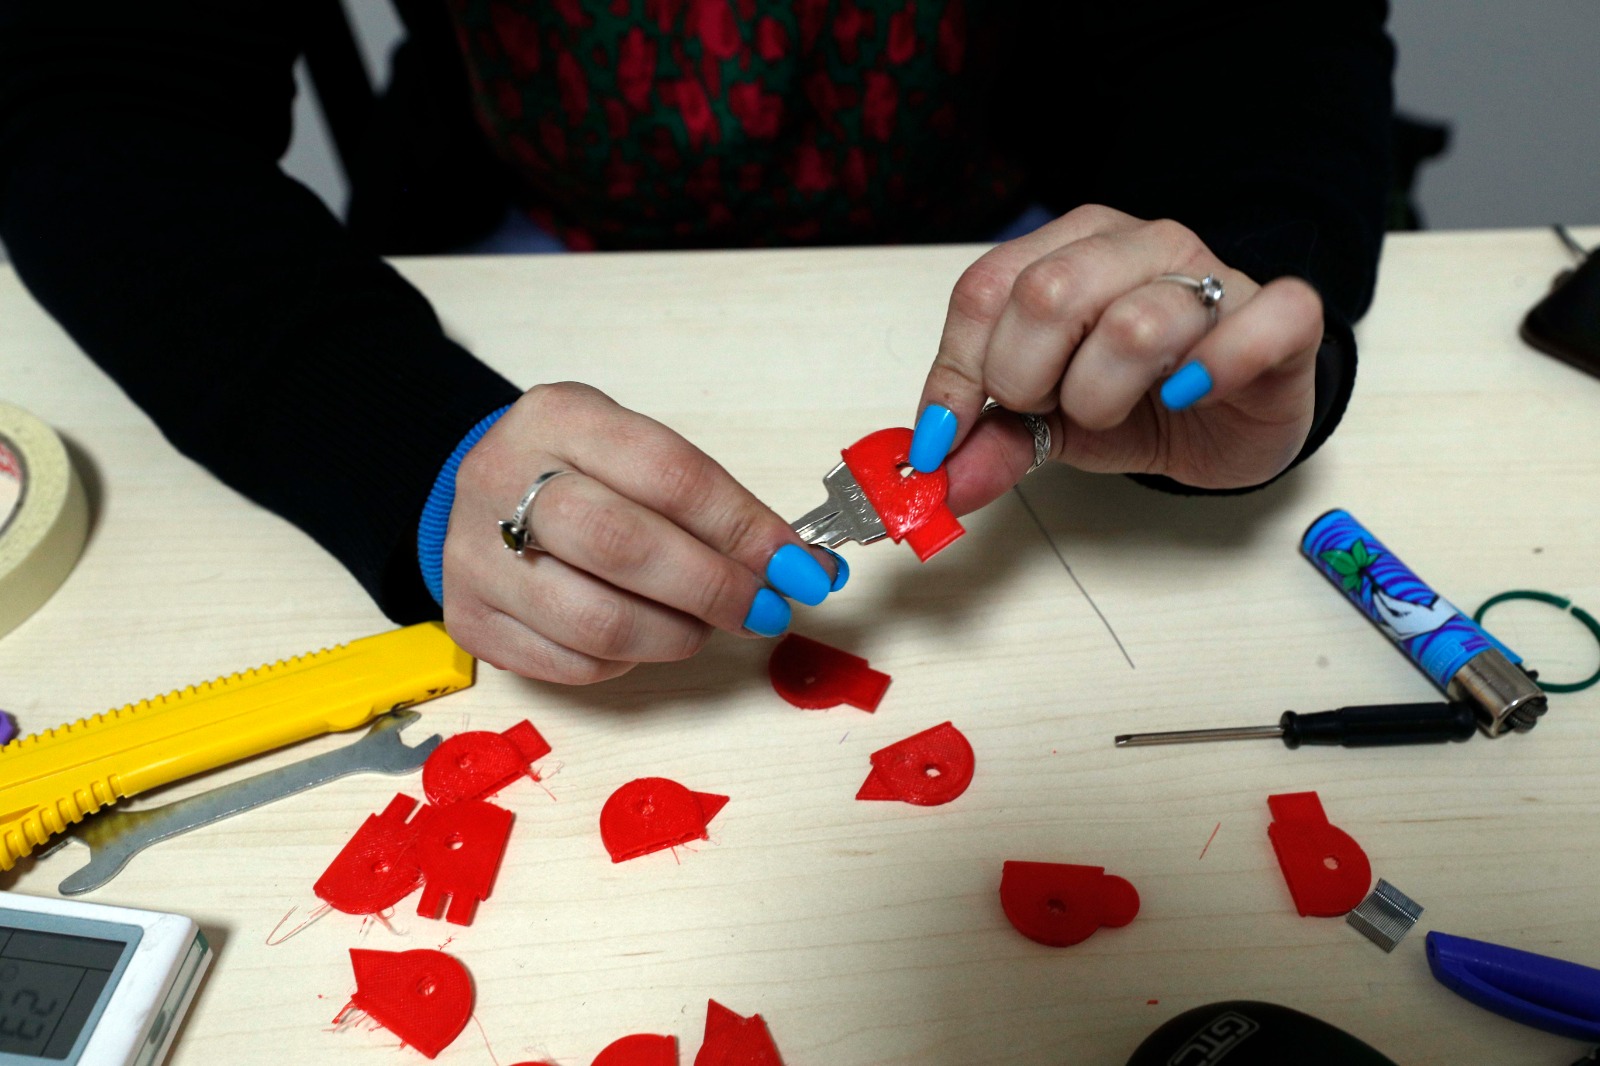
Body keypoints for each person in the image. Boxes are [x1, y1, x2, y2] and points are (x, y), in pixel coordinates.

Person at [0, 1, 1394, 684]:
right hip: (512, 235)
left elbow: (1268, 54)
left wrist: (1229, 294)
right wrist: (400, 442)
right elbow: (92, 103)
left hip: (1017, 245)